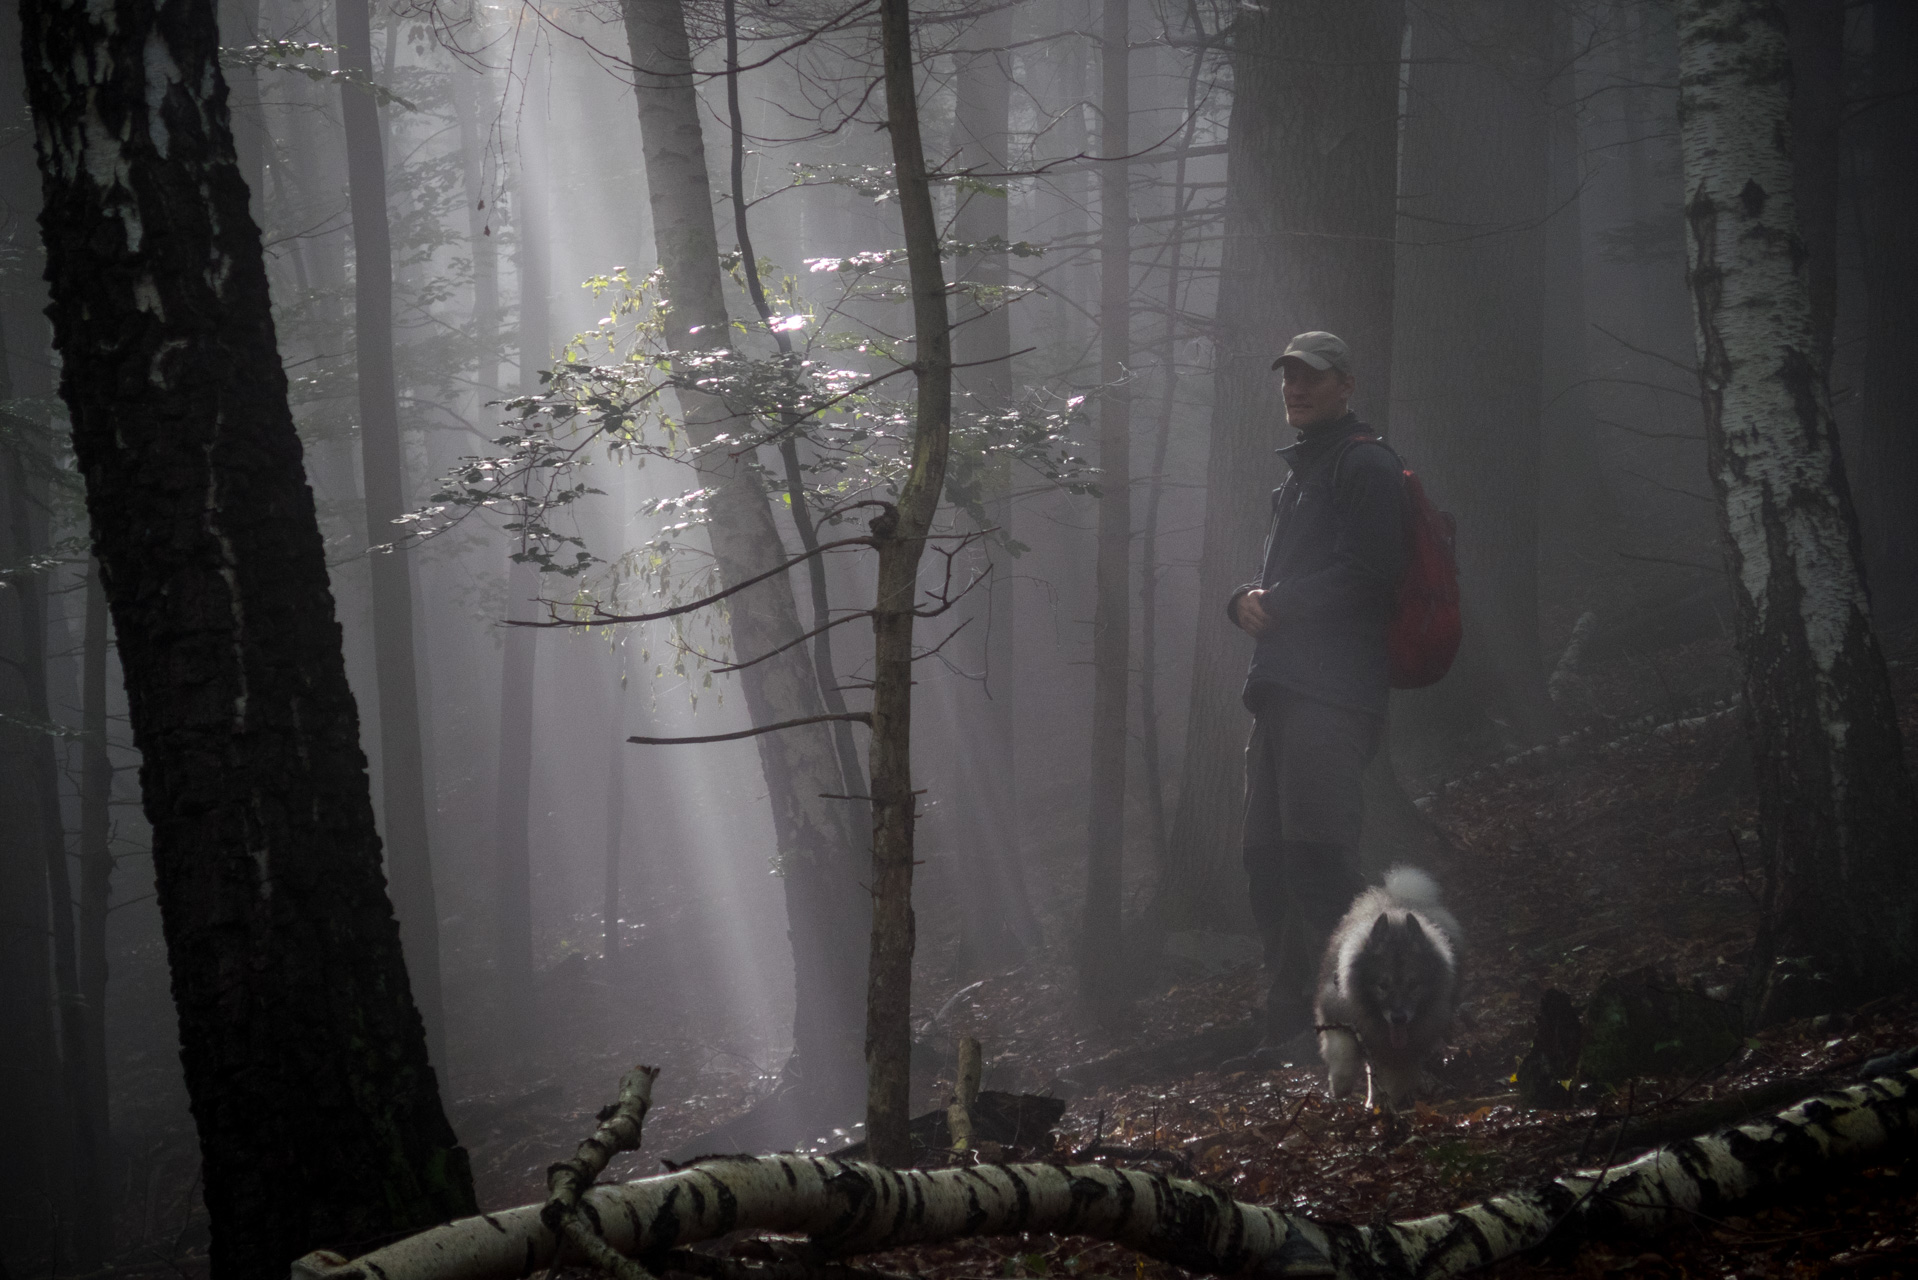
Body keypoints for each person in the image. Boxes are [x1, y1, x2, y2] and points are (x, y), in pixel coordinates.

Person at [1226, 330, 1407, 1056]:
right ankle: (1293, 1032)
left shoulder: (1365, 465)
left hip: (1332, 695)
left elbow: (1373, 575)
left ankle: (1376, 1025)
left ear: (1347, 384)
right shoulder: (1301, 475)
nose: (1296, 388)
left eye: (1313, 377)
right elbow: (1291, 582)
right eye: (1288, 378)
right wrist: (1241, 597)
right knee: (1268, 866)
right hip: (1281, 690)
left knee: (1321, 862)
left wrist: (1284, 603)